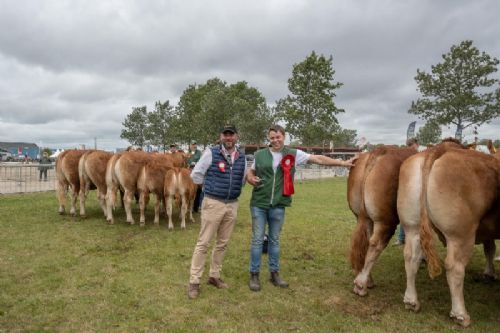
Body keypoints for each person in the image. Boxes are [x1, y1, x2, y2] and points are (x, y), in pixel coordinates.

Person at [246, 125, 358, 291]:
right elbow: (251, 171)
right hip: (259, 204)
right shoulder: (260, 155)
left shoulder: (293, 154)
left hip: (278, 205)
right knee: (257, 240)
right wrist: (250, 178)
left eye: (278, 137)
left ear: (284, 137)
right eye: (272, 138)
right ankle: (254, 275)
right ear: (268, 139)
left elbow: (318, 159)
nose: (275, 140)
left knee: (275, 240)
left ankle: (274, 273)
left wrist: (342, 163)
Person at [187, 125, 247, 299]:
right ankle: (194, 281)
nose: (228, 138)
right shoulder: (211, 153)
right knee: (204, 243)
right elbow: (196, 175)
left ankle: (214, 276)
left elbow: (242, 179)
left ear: (236, 136)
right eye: (225, 134)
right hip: (213, 202)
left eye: (231, 135)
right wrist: (208, 187)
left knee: (222, 243)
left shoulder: (242, 156)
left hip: (232, 204)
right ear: (221, 136)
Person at [394, 137, 419, 246]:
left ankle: (402, 238)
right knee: (407, 215)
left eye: (412, 145)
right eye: (410, 146)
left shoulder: (417, 155)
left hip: (410, 188)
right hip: (410, 187)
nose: (412, 147)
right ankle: (402, 238)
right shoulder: (413, 155)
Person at [187, 140, 203, 212]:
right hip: (189, 172)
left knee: (198, 190)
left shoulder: (199, 153)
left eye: (194, 144)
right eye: (192, 144)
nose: (193, 146)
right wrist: (188, 164)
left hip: (197, 172)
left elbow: (201, 161)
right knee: (189, 189)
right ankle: (189, 206)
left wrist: (196, 163)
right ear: (190, 146)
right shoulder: (188, 153)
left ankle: (197, 206)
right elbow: (186, 161)